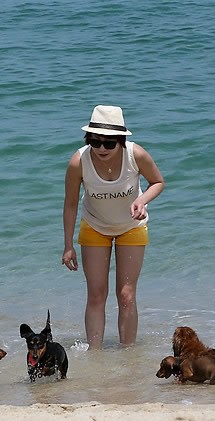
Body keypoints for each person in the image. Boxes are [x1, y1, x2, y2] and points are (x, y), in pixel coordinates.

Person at [62, 105, 165, 349]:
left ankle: (128, 356)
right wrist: (68, 245)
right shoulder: (79, 161)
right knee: (97, 294)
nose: (101, 149)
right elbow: (70, 204)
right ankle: (95, 356)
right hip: (95, 226)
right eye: (95, 142)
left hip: (132, 226)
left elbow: (158, 182)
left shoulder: (135, 155)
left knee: (127, 294)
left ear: (120, 141)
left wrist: (141, 200)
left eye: (109, 143)